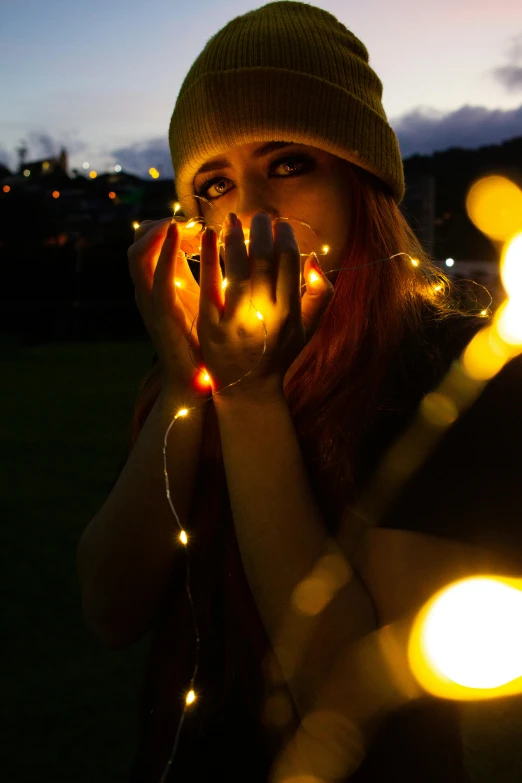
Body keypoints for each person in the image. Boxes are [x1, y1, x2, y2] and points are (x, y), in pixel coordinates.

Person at [77, 2, 522, 781]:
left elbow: (352, 701)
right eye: (214, 184)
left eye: (287, 164)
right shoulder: (194, 372)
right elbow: (110, 610)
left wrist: (252, 402)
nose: (249, 210)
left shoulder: (449, 374)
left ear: (363, 183)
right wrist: (189, 382)